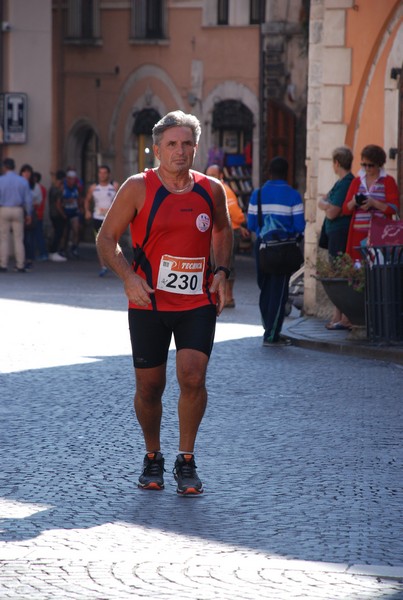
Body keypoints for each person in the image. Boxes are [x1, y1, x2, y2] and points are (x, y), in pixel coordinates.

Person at [96, 110, 233, 495]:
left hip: (197, 301)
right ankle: (152, 454)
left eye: (187, 143)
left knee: (192, 375)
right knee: (150, 388)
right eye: (172, 144)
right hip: (149, 302)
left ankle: (186, 460)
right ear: (157, 149)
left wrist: (222, 271)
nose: (180, 151)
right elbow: (106, 239)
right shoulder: (138, 187)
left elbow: (223, 229)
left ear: (196, 147)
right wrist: (129, 277)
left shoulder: (211, 189)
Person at [247, 156, 305, 346]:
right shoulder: (294, 196)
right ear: (286, 173)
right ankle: (271, 335)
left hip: (263, 249)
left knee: (265, 289)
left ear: (269, 173)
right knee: (279, 291)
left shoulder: (258, 194)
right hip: (284, 250)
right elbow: (299, 226)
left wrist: (266, 234)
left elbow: (251, 224)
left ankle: (267, 328)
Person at [317, 146, 354, 330]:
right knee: (336, 273)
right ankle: (338, 315)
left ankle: (342, 317)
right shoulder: (340, 182)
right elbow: (324, 201)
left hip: (339, 233)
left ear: (337, 163)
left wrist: (324, 204)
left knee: (338, 274)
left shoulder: (346, 182)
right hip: (335, 233)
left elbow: (332, 212)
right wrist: (325, 203)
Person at [342, 145, 399, 260]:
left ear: (379, 164)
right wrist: (354, 202)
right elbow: (345, 210)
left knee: (378, 267)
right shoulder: (356, 181)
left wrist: (374, 203)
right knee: (357, 268)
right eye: (364, 165)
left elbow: (394, 208)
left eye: (371, 165)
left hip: (380, 234)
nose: (367, 168)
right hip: (358, 232)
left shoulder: (388, 181)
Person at [206, 163, 250, 307]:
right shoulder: (211, 189)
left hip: (228, 232)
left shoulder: (224, 190)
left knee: (226, 264)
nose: (210, 178)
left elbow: (237, 216)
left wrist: (238, 225)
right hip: (216, 233)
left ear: (221, 176)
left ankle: (228, 297)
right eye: (208, 175)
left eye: (213, 175)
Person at [84, 164, 119, 276]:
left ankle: (114, 264)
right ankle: (103, 266)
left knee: (112, 242)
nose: (102, 175)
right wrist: (87, 211)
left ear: (108, 174)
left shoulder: (114, 186)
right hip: (98, 218)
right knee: (100, 243)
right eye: (100, 173)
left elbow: (121, 201)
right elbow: (87, 200)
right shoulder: (94, 188)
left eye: (105, 173)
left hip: (111, 219)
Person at [0, 158, 33, 273]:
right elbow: (28, 199)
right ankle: (20, 264)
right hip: (18, 209)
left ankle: (3, 264)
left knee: (3, 238)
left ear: (5, 167)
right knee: (19, 238)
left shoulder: (1, 180)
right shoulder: (22, 181)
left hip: (4, 208)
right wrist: (29, 214)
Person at [20, 164, 42, 270]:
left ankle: (29, 259)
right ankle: (22, 259)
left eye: (28, 172)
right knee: (21, 237)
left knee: (29, 237)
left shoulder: (35, 186)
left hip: (31, 211)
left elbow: (39, 199)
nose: (26, 174)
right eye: (24, 172)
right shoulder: (18, 183)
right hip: (20, 211)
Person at [61, 169, 83, 258]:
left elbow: (79, 198)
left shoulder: (76, 188)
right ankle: (63, 248)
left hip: (74, 211)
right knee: (65, 232)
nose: (72, 181)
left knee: (76, 230)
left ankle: (74, 248)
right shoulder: (63, 188)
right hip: (65, 211)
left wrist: (80, 205)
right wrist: (66, 201)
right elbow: (59, 201)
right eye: (70, 179)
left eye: (73, 179)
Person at [48, 170, 68, 262]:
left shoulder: (52, 188)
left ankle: (52, 251)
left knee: (56, 232)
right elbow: (58, 204)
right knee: (58, 233)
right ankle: (54, 251)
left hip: (52, 213)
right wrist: (63, 214)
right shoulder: (58, 191)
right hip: (57, 214)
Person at [32, 171, 48, 261]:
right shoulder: (43, 188)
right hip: (40, 213)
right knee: (38, 234)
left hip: (37, 213)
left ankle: (42, 253)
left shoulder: (37, 188)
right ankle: (41, 253)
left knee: (37, 235)